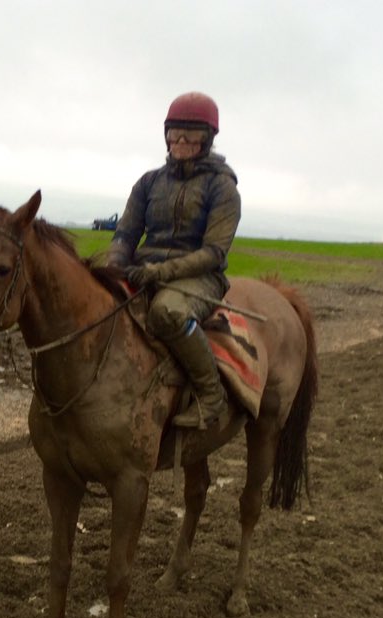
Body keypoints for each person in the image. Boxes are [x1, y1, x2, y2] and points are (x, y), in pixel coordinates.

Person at [102, 91, 241, 428]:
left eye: (190, 135)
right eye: (173, 133)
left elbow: (213, 252)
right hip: (145, 267)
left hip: (200, 274)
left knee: (168, 311)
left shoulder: (222, 188)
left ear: (206, 140)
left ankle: (211, 396)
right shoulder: (149, 182)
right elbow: (125, 234)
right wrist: (114, 264)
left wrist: (160, 271)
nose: (179, 140)